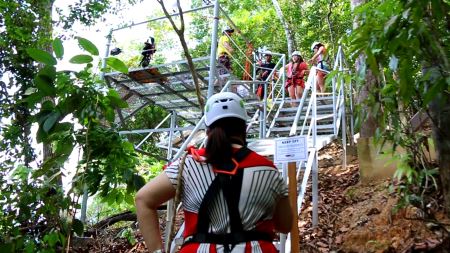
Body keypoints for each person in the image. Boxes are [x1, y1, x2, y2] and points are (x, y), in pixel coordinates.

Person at [135, 92, 292, 253]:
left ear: (208, 130)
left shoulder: (188, 164)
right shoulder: (268, 170)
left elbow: (143, 199)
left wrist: (157, 251)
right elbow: (285, 226)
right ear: (244, 128)